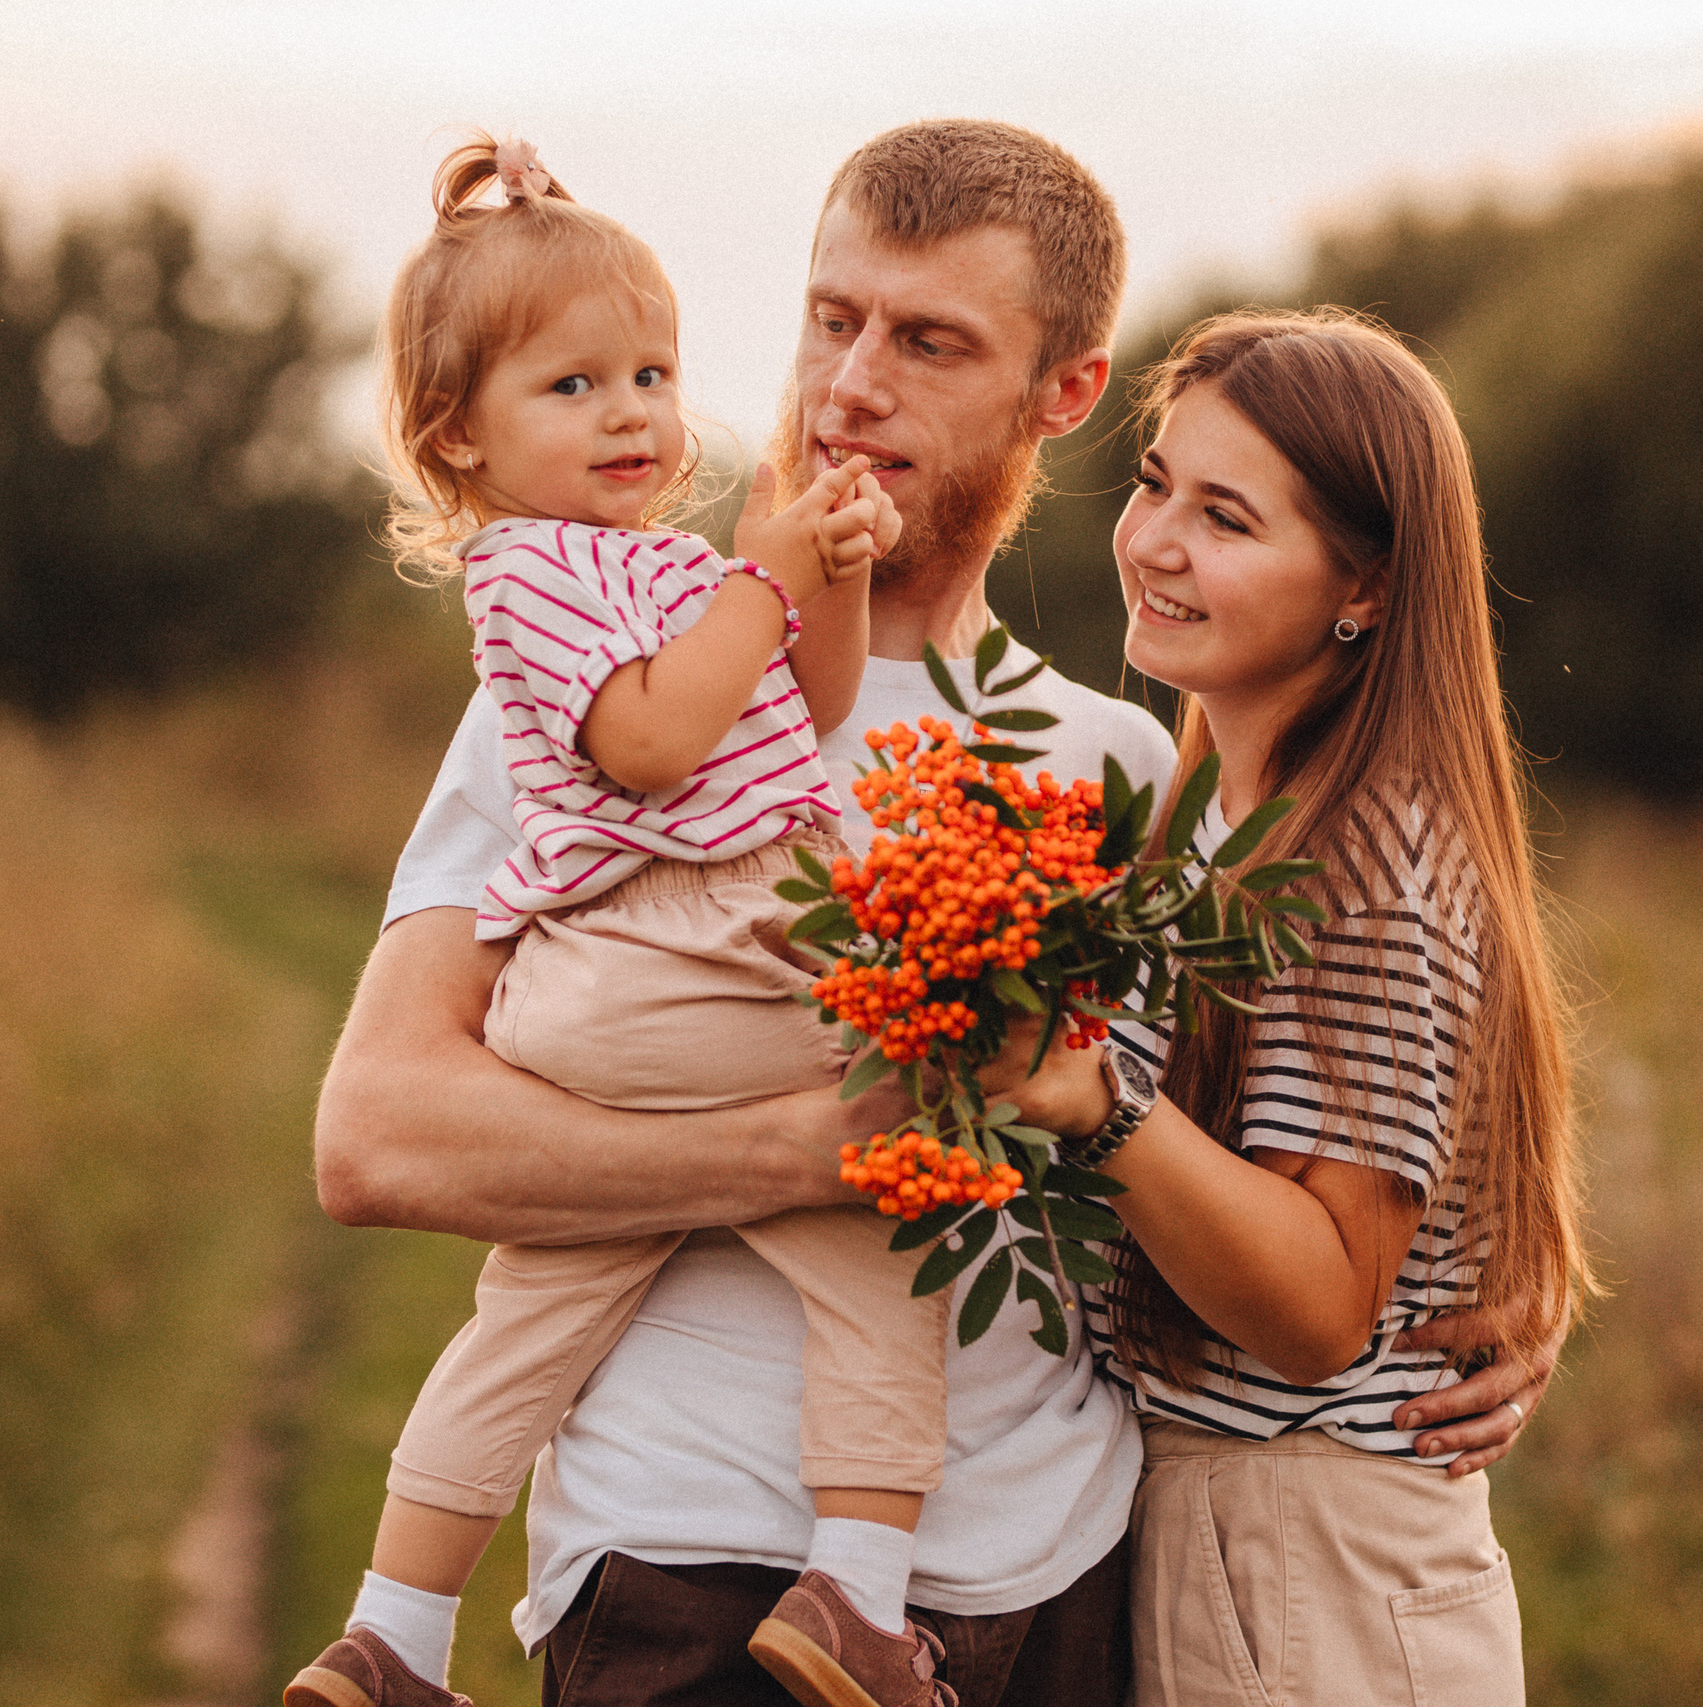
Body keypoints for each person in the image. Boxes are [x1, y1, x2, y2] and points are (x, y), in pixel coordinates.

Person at [314, 122, 1558, 1707]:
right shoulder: (619, 694)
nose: (851, 385)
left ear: (1066, 391)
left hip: (1067, 1574)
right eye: (832, 318)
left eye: (929, 341)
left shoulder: (1126, 764)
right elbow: (379, 1138)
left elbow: (1256, 1146)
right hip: (702, 1570)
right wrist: (821, 1149)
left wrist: (1465, 1307)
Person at [287, 134, 975, 1707]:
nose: (633, 414)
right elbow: (655, 741)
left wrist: (825, 573)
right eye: (575, 385)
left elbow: (802, 706)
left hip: (632, 990)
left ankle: (392, 1638)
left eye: (653, 375)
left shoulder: (651, 566)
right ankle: (857, 1597)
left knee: (533, 1317)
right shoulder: (528, 574)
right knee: (899, 1220)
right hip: (698, 948)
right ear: (458, 436)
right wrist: (759, 578)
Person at [983, 310, 1592, 1706]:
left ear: (1363, 586)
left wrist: (1100, 1104)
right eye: (1155, 483)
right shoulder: (1212, 821)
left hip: (1305, 1558)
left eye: (1227, 518)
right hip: (1240, 1536)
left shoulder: (1363, 862)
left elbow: (1321, 1307)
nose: (1155, 541)